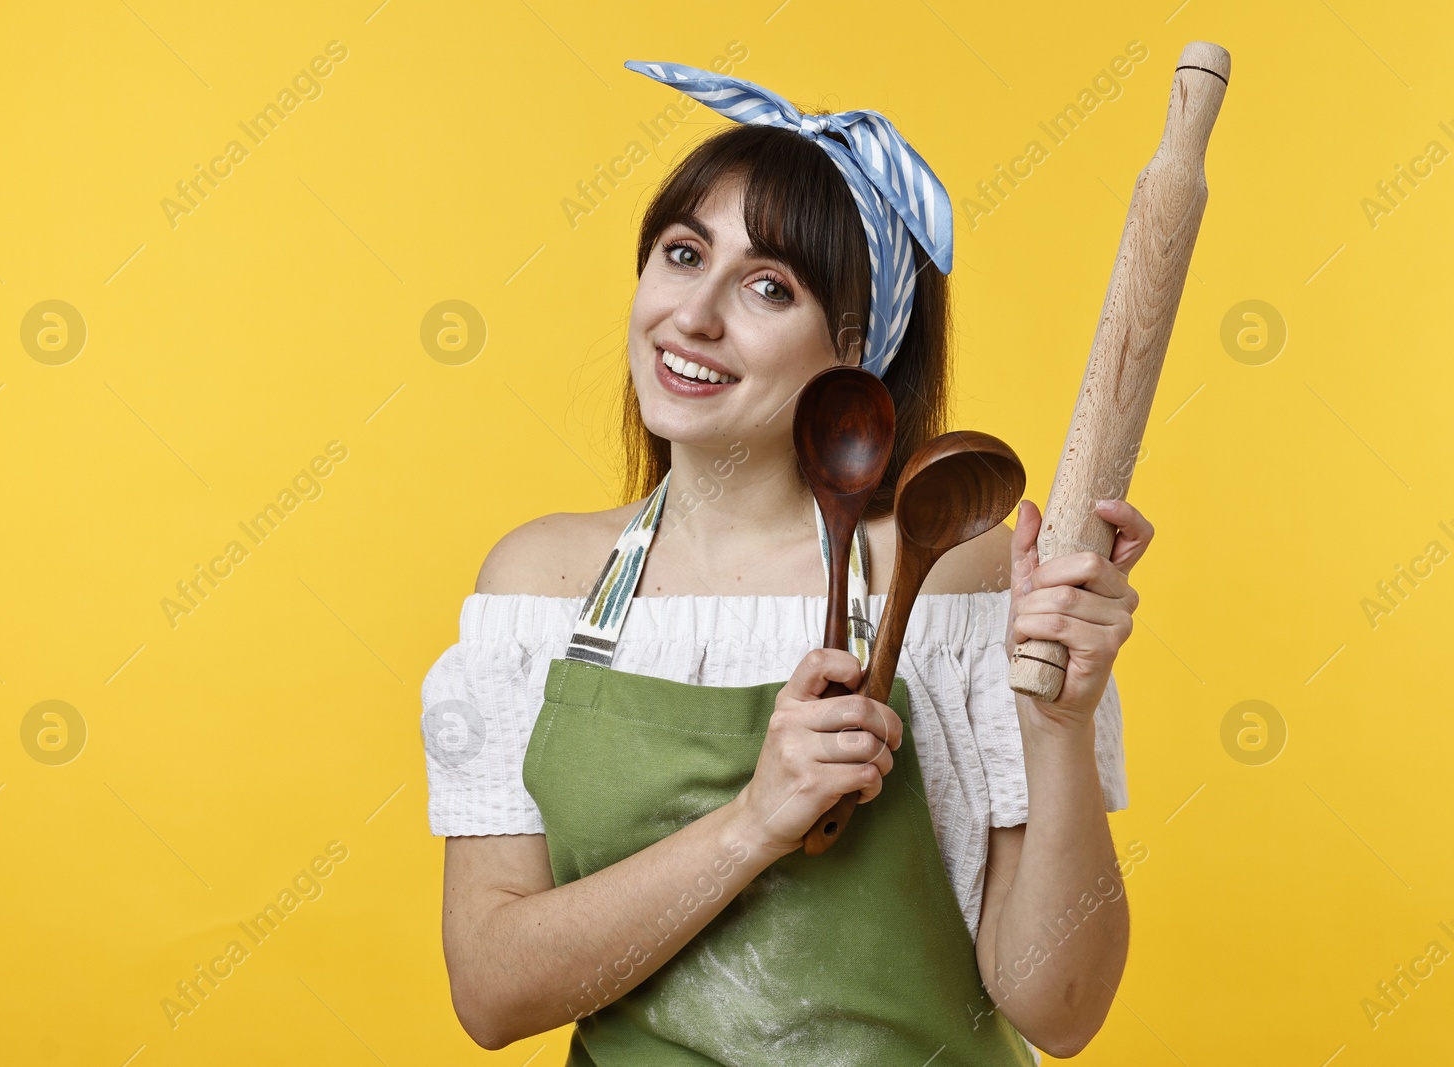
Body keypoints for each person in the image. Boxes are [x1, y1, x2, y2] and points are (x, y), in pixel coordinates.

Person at [421, 59, 1153, 1065]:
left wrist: (1058, 724)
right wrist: (755, 820)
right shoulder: (540, 589)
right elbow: (491, 989)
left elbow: (1058, 1008)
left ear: (854, 351)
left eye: (768, 285)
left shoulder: (950, 577)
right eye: (682, 254)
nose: (695, 314)